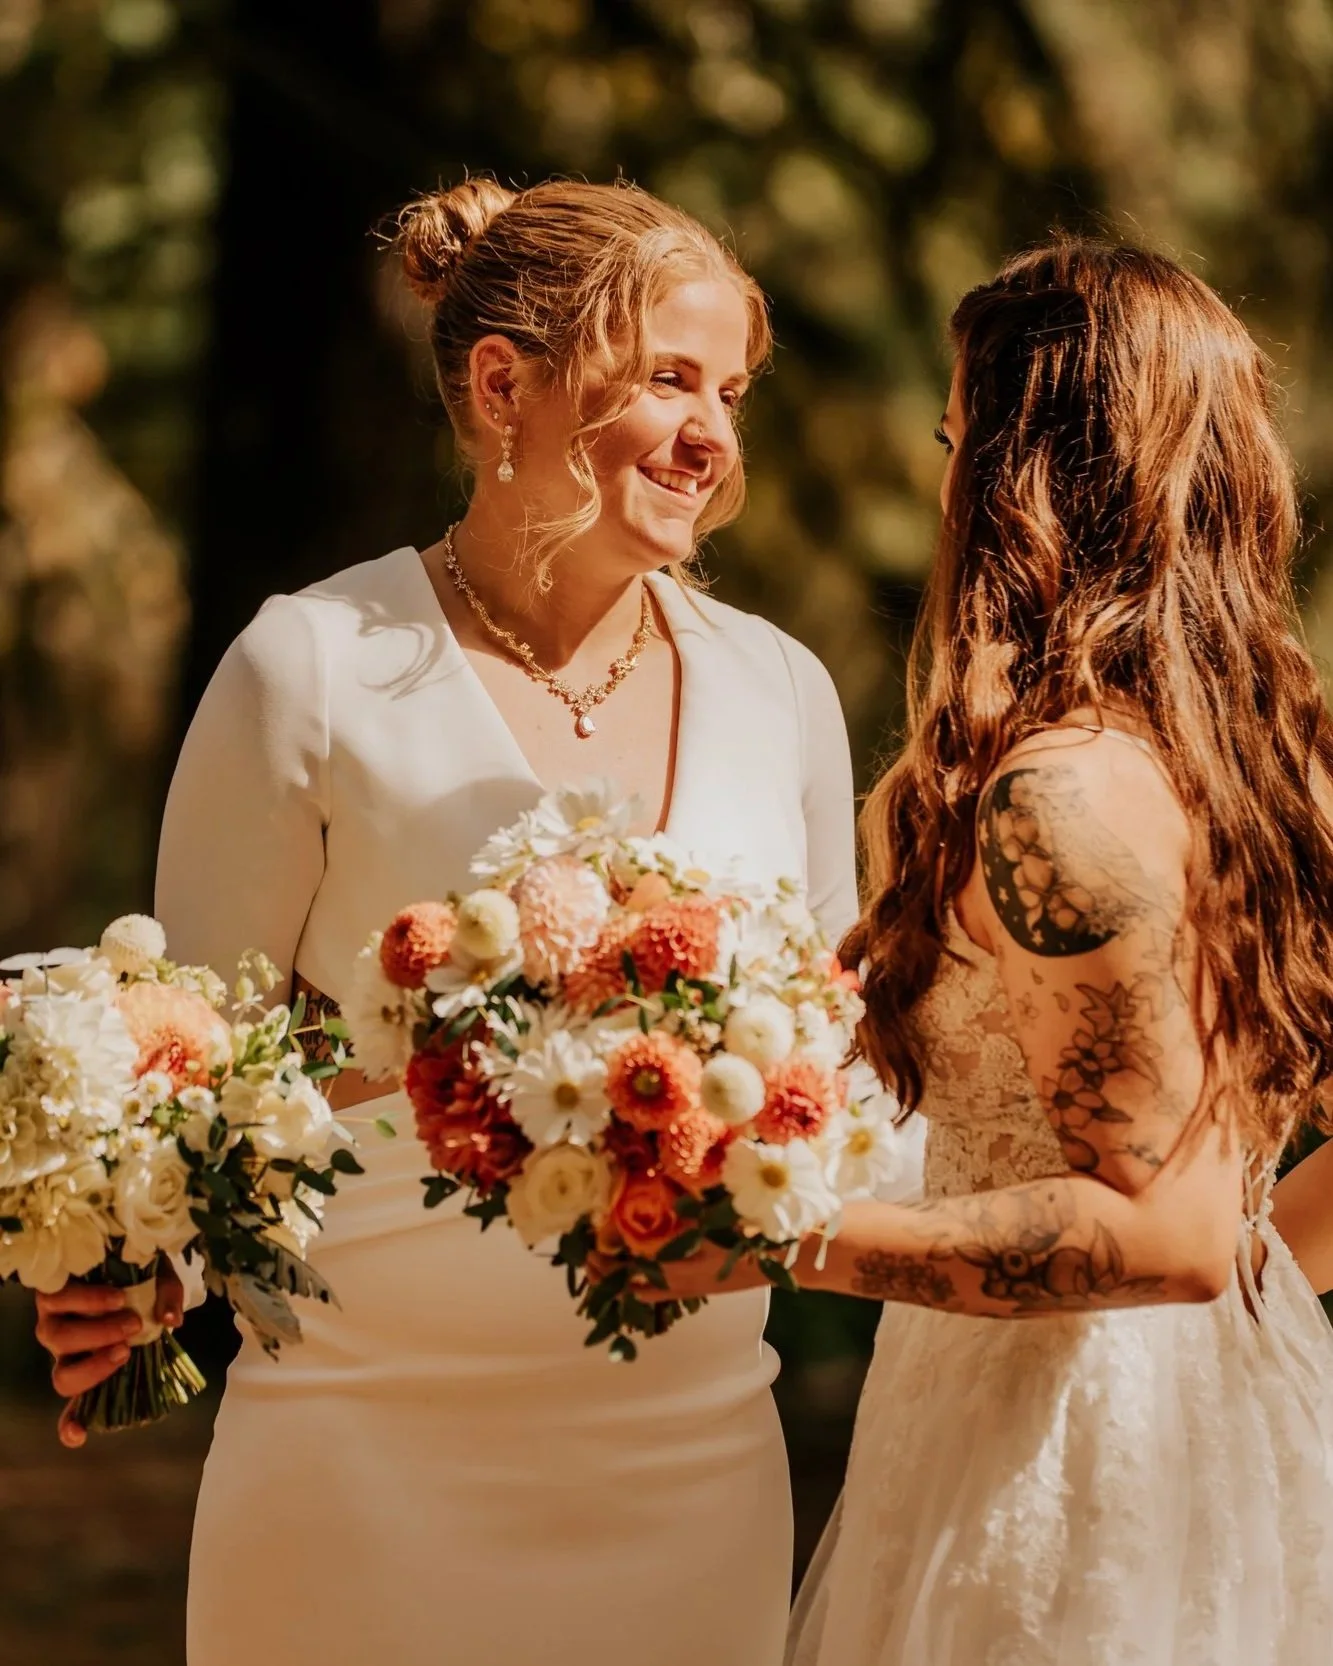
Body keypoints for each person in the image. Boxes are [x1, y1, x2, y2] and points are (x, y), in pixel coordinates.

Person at [34, 177, 858, 1666]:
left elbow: (846, 1078)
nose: (717, 435)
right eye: (671, 379)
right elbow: (195, 1087)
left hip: (686, 1468)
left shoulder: (785, 691)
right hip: (357, 1453)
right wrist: (141, 1281)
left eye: (731, 390)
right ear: (503, 385)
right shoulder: (311, 667)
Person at [657, 239, 1333, 1664]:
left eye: (961, 438)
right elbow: (1219, 1229)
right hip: (1233, 1420)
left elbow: (1165, 1234)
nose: (945, 479)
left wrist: (776, 1236)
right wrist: (1263, 1297)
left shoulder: (1062, 799)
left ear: (1031, 477)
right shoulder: (1276, 764)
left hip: (1067, 1469)